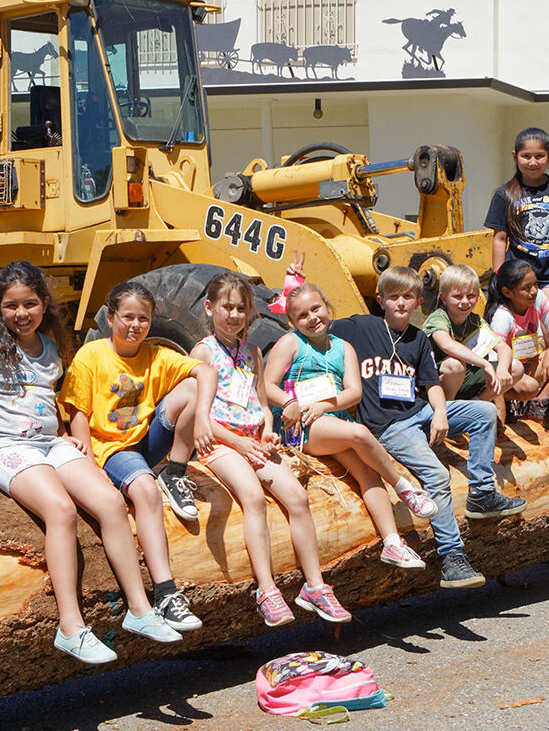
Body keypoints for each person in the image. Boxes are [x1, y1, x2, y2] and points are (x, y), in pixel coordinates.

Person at [0, 263, 179, 662]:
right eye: (11, 306)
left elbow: (42, 398)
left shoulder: (49, 347)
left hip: (47, 442)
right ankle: (70, 626)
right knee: (61, 509)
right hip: (0, 445)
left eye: (30, 304)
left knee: (109, 501)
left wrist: (63, 431)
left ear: (44, 304)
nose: (21, 313)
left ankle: (140, 609)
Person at [332, 266, 526, 590]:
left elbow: (431, 383)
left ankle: (481, 492)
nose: (401, 304)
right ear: (380, 300)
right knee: (437, 475)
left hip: (420, 411)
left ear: (418, 300)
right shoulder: (361, 327)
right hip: (389, 427)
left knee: (483, 411)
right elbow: (316, 326)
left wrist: (439, 413)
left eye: (408, 297)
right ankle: (452, 558)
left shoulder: (419, 338)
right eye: (393, 297)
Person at [189, 271, 351, 625]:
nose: (234, 315)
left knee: (297, 496)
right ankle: (267, 589)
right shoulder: (203, 351)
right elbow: (200, 416)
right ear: (209, 307)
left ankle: (315, 585)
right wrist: (237, 442)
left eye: (241, 308)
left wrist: (267, 430)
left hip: (253, 442)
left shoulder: (252, 352)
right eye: (227, 307)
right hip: (221, 443)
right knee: (253, 497)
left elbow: (261, 403)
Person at [60, 280, 207, 634]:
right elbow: (77, 412)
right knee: (145, 490)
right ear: (111, 318)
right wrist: (89, 470)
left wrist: (201, 415)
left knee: (191, 386)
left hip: (145, 441)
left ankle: (174, 471)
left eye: (143, 318)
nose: (135, 325)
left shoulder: (155, 354)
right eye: (127, 317)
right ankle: (166, 593)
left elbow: (205, 371)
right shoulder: (91, 356)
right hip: (111, 449)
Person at [261, 281, 437, 572]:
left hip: (332, 419)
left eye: (316, 309)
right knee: (359, 433)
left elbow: (353, 392)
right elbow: (267, 384)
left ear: (326, 307)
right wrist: (288, 402)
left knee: (367, 473)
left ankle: (392, 543)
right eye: (302, 315)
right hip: (301, 425)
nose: (312, 318)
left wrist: (325, 406)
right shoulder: (291, 343)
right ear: (293, 321)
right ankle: (405, 488)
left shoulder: (344, 348)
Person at [486, 127, 549, 341]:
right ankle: (525, 375)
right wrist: (498, 276)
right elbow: (500, 239)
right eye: (526, 156)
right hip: (518, 279)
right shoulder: (504, 194)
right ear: (515, 156)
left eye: (539, 156)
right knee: (522, 338)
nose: (532, 162)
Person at [488, 259, 549, 434]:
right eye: (526, 288)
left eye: (535, 284)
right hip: (510, 374)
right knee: (530, 387)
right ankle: (512, 400)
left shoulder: (538, 297)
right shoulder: (502, 317)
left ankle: (541, 400)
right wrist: (500, 411)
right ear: (507, 292)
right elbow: (495, 367)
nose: (533, 291)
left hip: (529, 365)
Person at [427, 264, 506, 403]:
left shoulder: (475, 321)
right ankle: (448, 410)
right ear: (444, 298)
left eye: (471, 296)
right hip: (432, 381)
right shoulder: (438, 317)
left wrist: (503, 370)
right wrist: (485, 364)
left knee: (515, 367)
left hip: (464, 378)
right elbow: (447, 345)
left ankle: (476, 403)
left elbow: (503, 348)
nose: (465, 302)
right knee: (454, 365)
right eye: (457, 296)